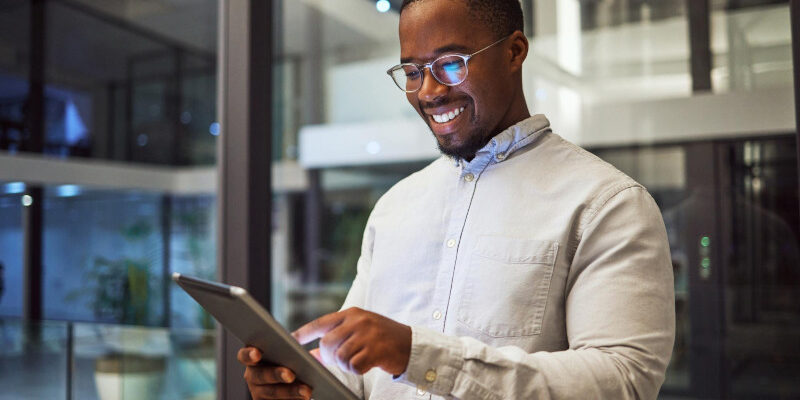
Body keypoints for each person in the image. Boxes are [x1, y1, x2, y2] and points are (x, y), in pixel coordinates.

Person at [238, 0, 675, 398]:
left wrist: (417, 354)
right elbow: (356, 373)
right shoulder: (395, 206)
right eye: (412, 72)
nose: (428, 92)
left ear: (515, 52)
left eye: (450, 64)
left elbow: (624, 381)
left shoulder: (607, 204)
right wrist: (300, 385)